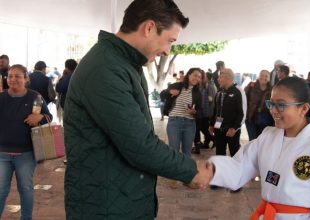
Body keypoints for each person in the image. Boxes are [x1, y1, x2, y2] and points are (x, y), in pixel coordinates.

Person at [63, 0, 212, 219]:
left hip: (121, 198)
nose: (167, 51)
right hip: (105, 206)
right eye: (169, 40)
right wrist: (190, 171)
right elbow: (139, 145)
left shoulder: (124, 64)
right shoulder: (105, 68)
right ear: (149, 27)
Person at [207, 77, 310, 219]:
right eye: (271, 103)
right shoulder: (267, 137)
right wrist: (208, 171)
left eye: (281, 105)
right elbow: (238, 167)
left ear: (304, 108)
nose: (273, 110)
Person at [0, 64, 52, 220]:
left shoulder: (35, 97)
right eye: (10, 76)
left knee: (26, 189)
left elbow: (49, 117)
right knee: (1, 190)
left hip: (26, 154)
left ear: (26, 78)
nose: (13, 79)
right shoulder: (1, 98)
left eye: (17, 76)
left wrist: (40, 117)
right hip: (2, 154)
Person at [162, 67, 202, 157]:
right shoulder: (177, 85)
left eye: (199, 77)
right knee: (174, 151)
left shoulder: (198, 93)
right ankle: (174, 171)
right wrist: (170, 91)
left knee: (187, 153)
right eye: (195, 75)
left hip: (190, 124)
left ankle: (185, 171)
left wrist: (194, 111)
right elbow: (162, 94)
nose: (197, 78)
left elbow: (200, 111)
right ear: (189, 75)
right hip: (174, 122)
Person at [192, 70, 217, 154]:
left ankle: (198, 147)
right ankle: (212, 140)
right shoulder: (205, 85)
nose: (197, 78)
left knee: (196, 130)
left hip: (202, 113)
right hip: (204, 113)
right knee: (202, 129)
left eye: (199, 76)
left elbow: (209, 100)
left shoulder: (204, 86)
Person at [244, 70, 273, 141]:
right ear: (258, 76)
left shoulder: (273, 90)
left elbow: (273, 105)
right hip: (251, 118)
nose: (263, 77)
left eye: (266, 76)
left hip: (265, 120)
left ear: (269, 78)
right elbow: (244, 101)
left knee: (262, 141)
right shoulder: (251, 86)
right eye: (261, 75)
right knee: (253, 140)